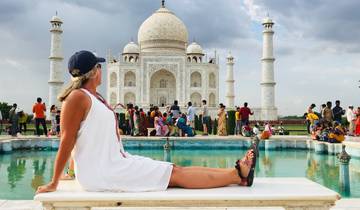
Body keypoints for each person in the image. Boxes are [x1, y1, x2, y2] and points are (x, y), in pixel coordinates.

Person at [36, 50, 257, 194]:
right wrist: (55, 181)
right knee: (175, 175)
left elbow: (82, 139)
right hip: (106, 172)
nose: (102, 71)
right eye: (100, 67)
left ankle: (236, 173)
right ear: (95, 71)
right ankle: (237, 176)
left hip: (114, 165)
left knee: (174, 169)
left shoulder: (94, 98)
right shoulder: (77, 97)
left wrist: (72, 172)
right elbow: (67, 138)